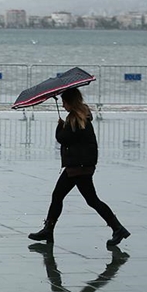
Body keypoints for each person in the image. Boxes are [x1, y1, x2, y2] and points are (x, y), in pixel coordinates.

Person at [28, 87, 130, 247]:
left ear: (70, 102)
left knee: (84, 199)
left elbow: (63, 139)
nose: (62, 106)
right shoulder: (81, 116)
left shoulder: (75, 119)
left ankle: (118, 228)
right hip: (80, 165)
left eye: (64, 102)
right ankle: (48, 229)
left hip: (78, 167)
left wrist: (59, 126)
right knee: (66, 196)